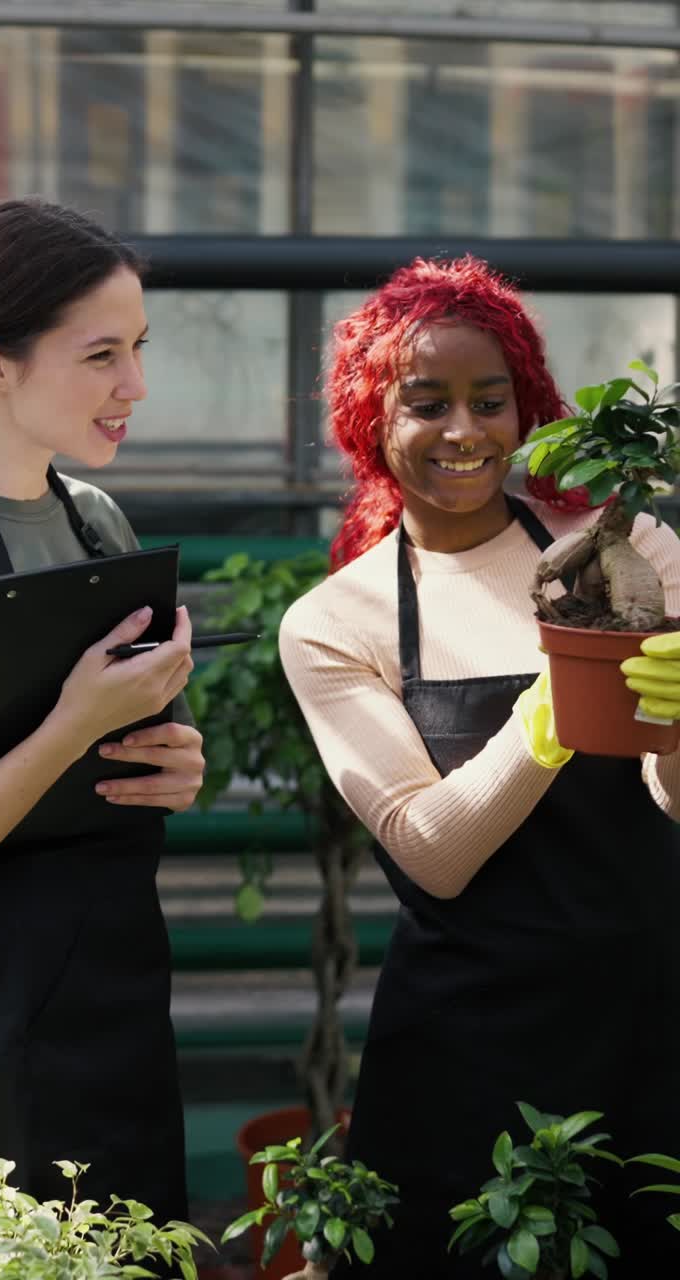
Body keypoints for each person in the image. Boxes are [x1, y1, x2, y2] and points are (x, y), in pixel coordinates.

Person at [279, 255, 680, 1276]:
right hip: (470, 1056)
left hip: (652, 1021)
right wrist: (556, 706)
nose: (464, 431)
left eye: (489, 400)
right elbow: (430, 852)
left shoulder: (633, 553)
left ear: (530, 409)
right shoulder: (338, 620)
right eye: (427, 403)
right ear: (371, 419)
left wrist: (674, 733)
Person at [0, 198, 205, 1224]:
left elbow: (115, 765)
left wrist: (171, 761)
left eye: (139, 348)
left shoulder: (98, 522)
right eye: (101, 353)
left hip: (108, 994)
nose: (135, 386)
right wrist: (69, 722)